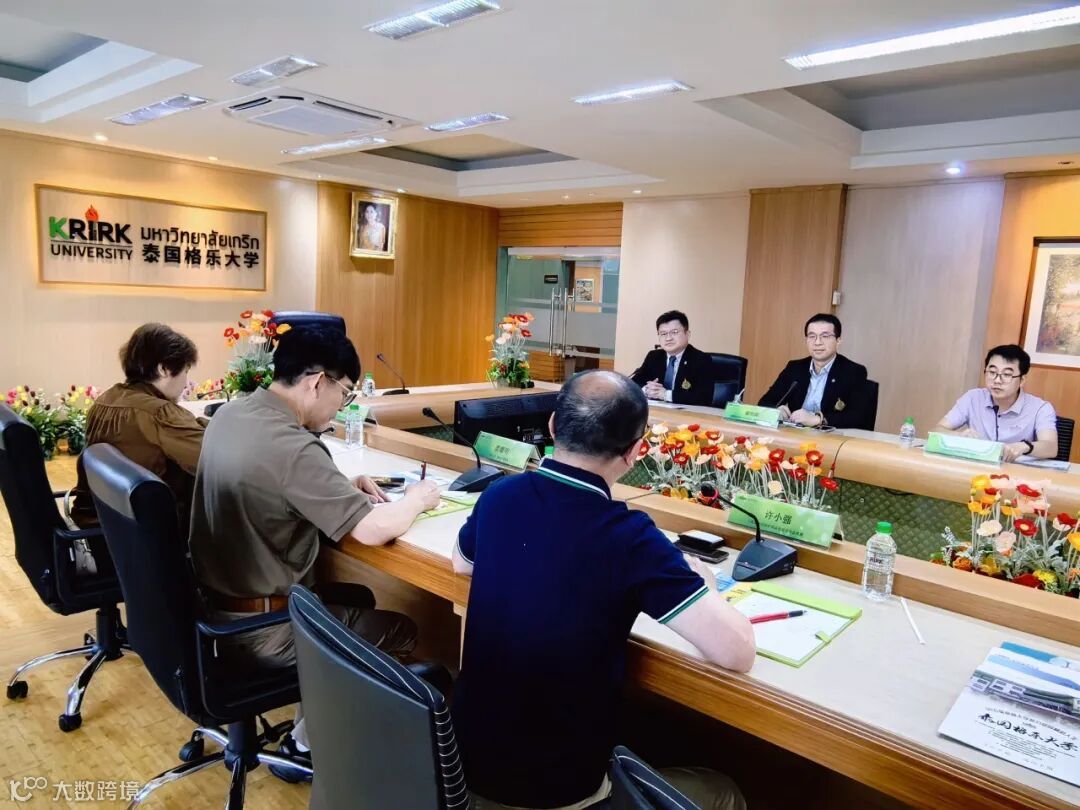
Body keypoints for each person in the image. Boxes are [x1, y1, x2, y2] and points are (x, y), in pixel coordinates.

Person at [452, 370, 755, 810]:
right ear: (635, 452)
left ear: (552, 426)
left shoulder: (502, 494)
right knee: (722, 790)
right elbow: (737, 651)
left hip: (464, 769)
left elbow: (461, 562)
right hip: (558, 792)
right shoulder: (630, 536)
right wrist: (708, 587)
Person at [188, 324, 440, 780]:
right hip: (262, 629)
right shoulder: (294, 447)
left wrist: (341, 486)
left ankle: (317, 719)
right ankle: (307, 745)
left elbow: (273, 480)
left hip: (212, 609)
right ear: (317, 382)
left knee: (358, 597)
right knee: (399, 629)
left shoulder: (231, 414)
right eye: (344, 393)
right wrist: (417, 499)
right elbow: (372, 529)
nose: (342, 406)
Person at [72, 323, 205, 533]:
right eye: (185, 371)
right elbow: (217, 460)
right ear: (164, 369)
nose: (186, 383)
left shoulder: (105, 400)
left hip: (105, 525)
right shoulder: (159, 413)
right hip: (151, 533)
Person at [937, 344, 1058, 462]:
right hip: (976, 468)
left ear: (1022, 380)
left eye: (1007, 375)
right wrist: (958, 436)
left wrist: (1024, 447)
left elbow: (1051, 447)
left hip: (1015, 471)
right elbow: (936, 430)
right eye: (992, 372)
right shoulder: (973, 398)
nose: (997, 380)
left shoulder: (1041, 408)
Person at [758, 313, 868, 429]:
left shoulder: (854, 371)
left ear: (838, 340)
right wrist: (776, 410)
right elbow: (765, 402)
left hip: (830, 436)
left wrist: (819, 419)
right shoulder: (795, 368)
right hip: (794, 433)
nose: (817, 342)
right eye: (812, 336)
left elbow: (859, 417)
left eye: (825, 336)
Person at [629, 310, 717, 406]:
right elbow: (634, 384)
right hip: (658, 411)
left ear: (687, 334)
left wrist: (666, 395)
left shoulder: (701, 359)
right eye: (663, 334)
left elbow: (704, 397)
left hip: (686, 413)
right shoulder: (654, 356)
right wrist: (647, 390)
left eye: (674, 332)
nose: (668, 338)